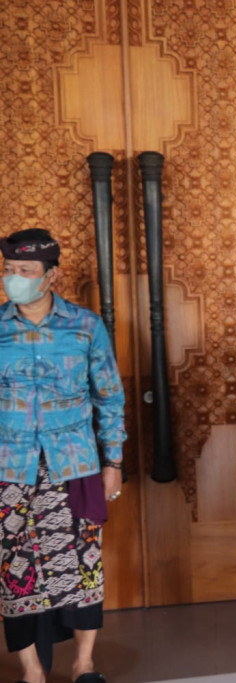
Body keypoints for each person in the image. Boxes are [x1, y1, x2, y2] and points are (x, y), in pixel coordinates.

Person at [0, 228, 125, 683]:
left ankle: (83, 664)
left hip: (73, 464)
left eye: (25, 270)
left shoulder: (85, 326)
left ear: (51, 275)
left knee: (83, 562)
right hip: (9, 466)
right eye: (9, 269)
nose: (14, 278)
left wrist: (114, 462)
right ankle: (31, 670)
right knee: (14, 567)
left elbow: (109, 397)